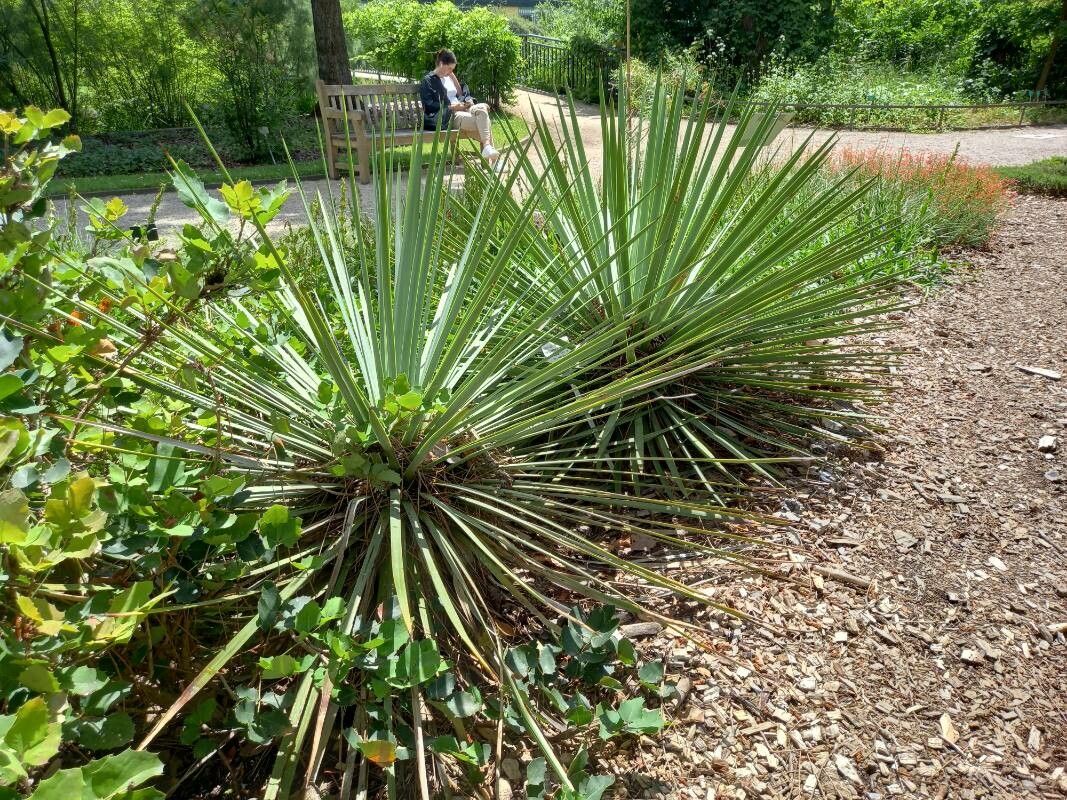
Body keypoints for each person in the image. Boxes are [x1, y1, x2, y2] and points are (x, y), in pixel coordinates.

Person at [419, 49, 500, 162]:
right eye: (450, 68)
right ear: (441, 64)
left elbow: (461, 93)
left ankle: (487, 148)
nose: (451, 71)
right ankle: (493, 159)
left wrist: (467, 102)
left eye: (453, 69)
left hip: (464, 109)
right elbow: (429, 105)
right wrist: (453, 107)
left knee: (481, 108)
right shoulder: (428, 81)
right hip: (450, 115)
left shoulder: (450, 77)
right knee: (485, 121)